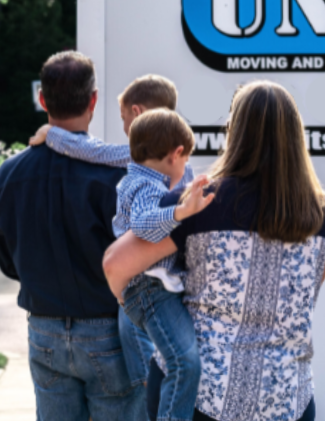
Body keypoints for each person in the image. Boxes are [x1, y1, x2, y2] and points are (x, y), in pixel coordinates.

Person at [103, 80, 325, 421]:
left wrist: (131, 303)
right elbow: (307, 298)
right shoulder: (324, 218)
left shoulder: (199, 202)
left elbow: (116, 265)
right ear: (296, 136)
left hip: (199, 398)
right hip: (287, 399)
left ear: (234, 132)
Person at [0, 51, 144, 421]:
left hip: (43, 329)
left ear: (42, 100)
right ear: (93, 100)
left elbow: (7, 261)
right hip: (108, 330)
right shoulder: (117, 176)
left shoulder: (8, 174)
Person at [29, 73, 195, 387]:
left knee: (131, 326)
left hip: (141, 278)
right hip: (174, 280)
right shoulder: (182, 160)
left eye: (123, 119)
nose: (123, 128)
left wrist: (51, 132)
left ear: (137, 113)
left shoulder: (138, 156)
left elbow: (95, 152)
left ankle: (143, 385)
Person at [114, 108, 214, 421]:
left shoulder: (140, 179)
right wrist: (182, 212)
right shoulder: (145, 186)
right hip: (149, 288)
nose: (185, 168)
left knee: (177, 361)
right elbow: (144, 225)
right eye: (185, 161)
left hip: (152, 289)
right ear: (177, 153)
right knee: (185, 363)